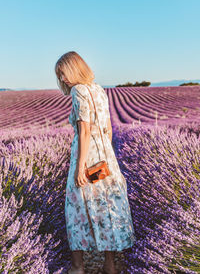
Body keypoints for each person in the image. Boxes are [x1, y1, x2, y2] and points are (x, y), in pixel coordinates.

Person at [55, 51, 136, 274]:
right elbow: (107, 128)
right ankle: (110, 265)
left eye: (63, 73)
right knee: (106, 205)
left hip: (85, 156)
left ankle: (78, 266)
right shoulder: (99, 90)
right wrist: (105, 155)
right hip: (104, 158)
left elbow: (84, 131)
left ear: (74, 69)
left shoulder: (79, 91)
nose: (62, 79)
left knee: (76, 208)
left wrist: (81, 167)